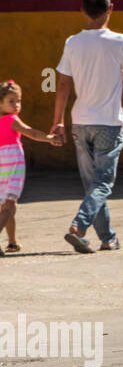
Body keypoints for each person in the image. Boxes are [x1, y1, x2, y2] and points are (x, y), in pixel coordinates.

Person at [50, 0, 123, 254]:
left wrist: (58, 122)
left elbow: (63, 85)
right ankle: (79, 225)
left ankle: (108, 238)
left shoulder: (72, 43)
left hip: (80, 121)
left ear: (82, 11)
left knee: (93, 185)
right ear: (111, 8)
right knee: (102, 184)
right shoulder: (121, 41)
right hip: (109, 123)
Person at [0, 80, 63, 258]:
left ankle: (12, 242)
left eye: (18, 101)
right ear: (0, 103)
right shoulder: (12, 120)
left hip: (2, 164)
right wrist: (49, 138)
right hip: (13, 164)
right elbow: (32, 133)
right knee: (8, 205)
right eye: (11, 101)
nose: (17, 105)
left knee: (8, 204)